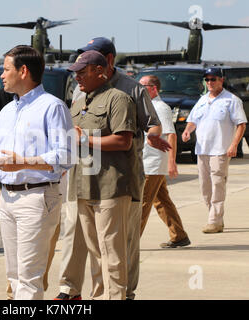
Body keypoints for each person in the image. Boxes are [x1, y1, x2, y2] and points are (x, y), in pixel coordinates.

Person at [56, 37, 168, 301]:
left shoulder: (129, 90)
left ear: (105, 62)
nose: (79, 74)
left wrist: (153, 136)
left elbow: (147, 126)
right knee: (87, 242)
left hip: (117, 178)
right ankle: (85, 291)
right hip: (83, 178)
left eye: (86, 63)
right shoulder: (81, 93)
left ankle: (123, 293)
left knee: (120, 244)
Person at [0, 45, 74, 300]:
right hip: (7, 198)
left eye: (6, 69)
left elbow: (66, 156)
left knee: (29, 276)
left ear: (23, 71)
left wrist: (24, 163)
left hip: (36, 198)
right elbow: (1, 159)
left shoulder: (53, 107)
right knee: (14, 275)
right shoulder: (7, 111)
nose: (2, 75)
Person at [66, 50, 136, 300]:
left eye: (82, 72)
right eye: (75, 73)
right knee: (96, 255)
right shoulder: (78, 103)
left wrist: (84, 138)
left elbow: (123, 140)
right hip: (83, 186)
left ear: (100, 70)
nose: (77, 78)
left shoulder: (118, 99)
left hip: (109, 188)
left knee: (113, 256)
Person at [182, 67, 247, 233]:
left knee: (218, 184)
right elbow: (193, 120)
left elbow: (241, 125)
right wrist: (187, 130)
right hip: (202, 149)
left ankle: (214, 221)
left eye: (213, 79)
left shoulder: (232, 100)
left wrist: (233, 145)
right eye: (207, 79)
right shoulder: (202, 100)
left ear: (221, 80)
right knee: (205, 187)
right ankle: (216, 217)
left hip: (221, 150)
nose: (210, 82)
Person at [139, 75, 190, 248]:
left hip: (153, 163)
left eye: (143, 85)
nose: (139, 88)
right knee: (162, 201)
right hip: (147, 161)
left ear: (153, 88)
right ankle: (179, 235)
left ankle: (129, 242)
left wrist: (171, 162)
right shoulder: (148, 105)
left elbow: (171, 134)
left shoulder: (160, 108)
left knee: (141, 203)